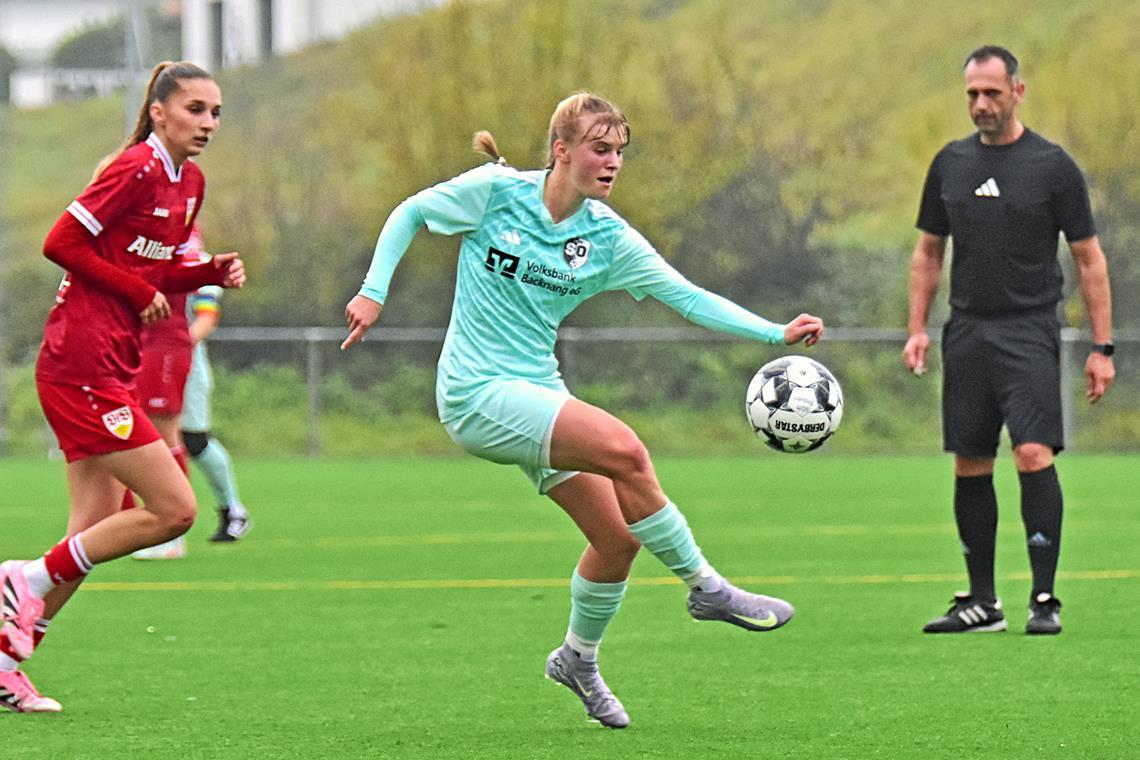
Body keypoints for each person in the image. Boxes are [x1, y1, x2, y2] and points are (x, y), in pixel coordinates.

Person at [342, 92, 825, 728]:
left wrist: (774, 334)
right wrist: (373, 293)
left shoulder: (607, 237)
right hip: (474, 393)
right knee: (625, 449)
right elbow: (409, 212)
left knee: (616, 540)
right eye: (601, 148)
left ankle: (577, 659)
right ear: (562, 150)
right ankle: (708, 589)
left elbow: (686, 297)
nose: (613, 162)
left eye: (620, 151)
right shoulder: (494, 192)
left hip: (537, 391)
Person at [0, 61, 245, 713]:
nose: (208, 123)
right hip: (78, 361)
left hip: (111, 362)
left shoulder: (188, 181)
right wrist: (139, 289)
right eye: (195, 108)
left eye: (216, 112)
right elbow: (62, 242)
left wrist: (204, 273)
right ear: (159, 110)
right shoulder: (135, 165)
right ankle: (21, 578)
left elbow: (151, 270)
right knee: (175, 509)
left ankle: (2, 663)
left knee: (93, 527)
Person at [902, 46, 1114, 636]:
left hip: (1029, 330)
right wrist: (917, 328)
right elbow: (928, 252)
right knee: (970, 461)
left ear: (1018, 91)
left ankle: (1043, 599)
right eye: (972, 93)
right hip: (966, 331)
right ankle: (982, 602)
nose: (981, 104)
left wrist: (1103, 348)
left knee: (1031, 452)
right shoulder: (950, 163)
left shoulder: (1053, 166)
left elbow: (1089, 259)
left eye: (992, 92)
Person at [180, 258, 252, 543]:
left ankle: (232, 509)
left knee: (195, 441)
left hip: (185, 367)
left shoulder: (199, 263)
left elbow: (206, 317)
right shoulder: (148, 252)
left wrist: (175, 347)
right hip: (144, 364)